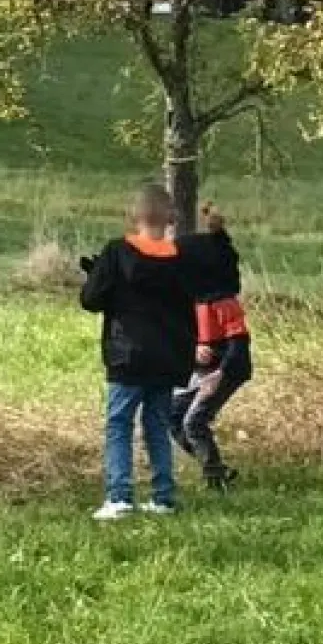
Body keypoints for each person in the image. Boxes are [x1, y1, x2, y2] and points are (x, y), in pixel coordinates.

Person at [79, 184, 196, 520]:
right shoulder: (182, 259)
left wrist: (96, 275)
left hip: (127, 354)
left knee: (119, 424)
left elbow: (91, 300)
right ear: (171, 217)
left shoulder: (117, 251)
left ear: (132, 216)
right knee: (157, 424)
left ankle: (119, 497)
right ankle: (163, 497)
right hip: (168, 356)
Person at [171, 204, 253, 491]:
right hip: (202, 369)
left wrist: (218, 376)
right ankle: (218, 469)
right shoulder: (190, 303)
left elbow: (239, 345)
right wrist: (192, 349)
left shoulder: (224, 304)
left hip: (226, 370)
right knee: (174, 417)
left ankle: (215, 481)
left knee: (194, 422)